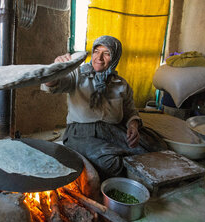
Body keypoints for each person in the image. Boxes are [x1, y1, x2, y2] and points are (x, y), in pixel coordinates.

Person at [41, 35, 167, 179]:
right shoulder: (78, 74)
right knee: (111, 163)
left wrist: (133, 126)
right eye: (96, 51)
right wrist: (56, 69)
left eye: (106, 53)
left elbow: (130, 111)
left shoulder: (121, 84)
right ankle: (122, 181)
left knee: (156, 148)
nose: (99, 58)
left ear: (114, 58)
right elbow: (51, 85)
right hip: (80, 132)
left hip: (112, 129)